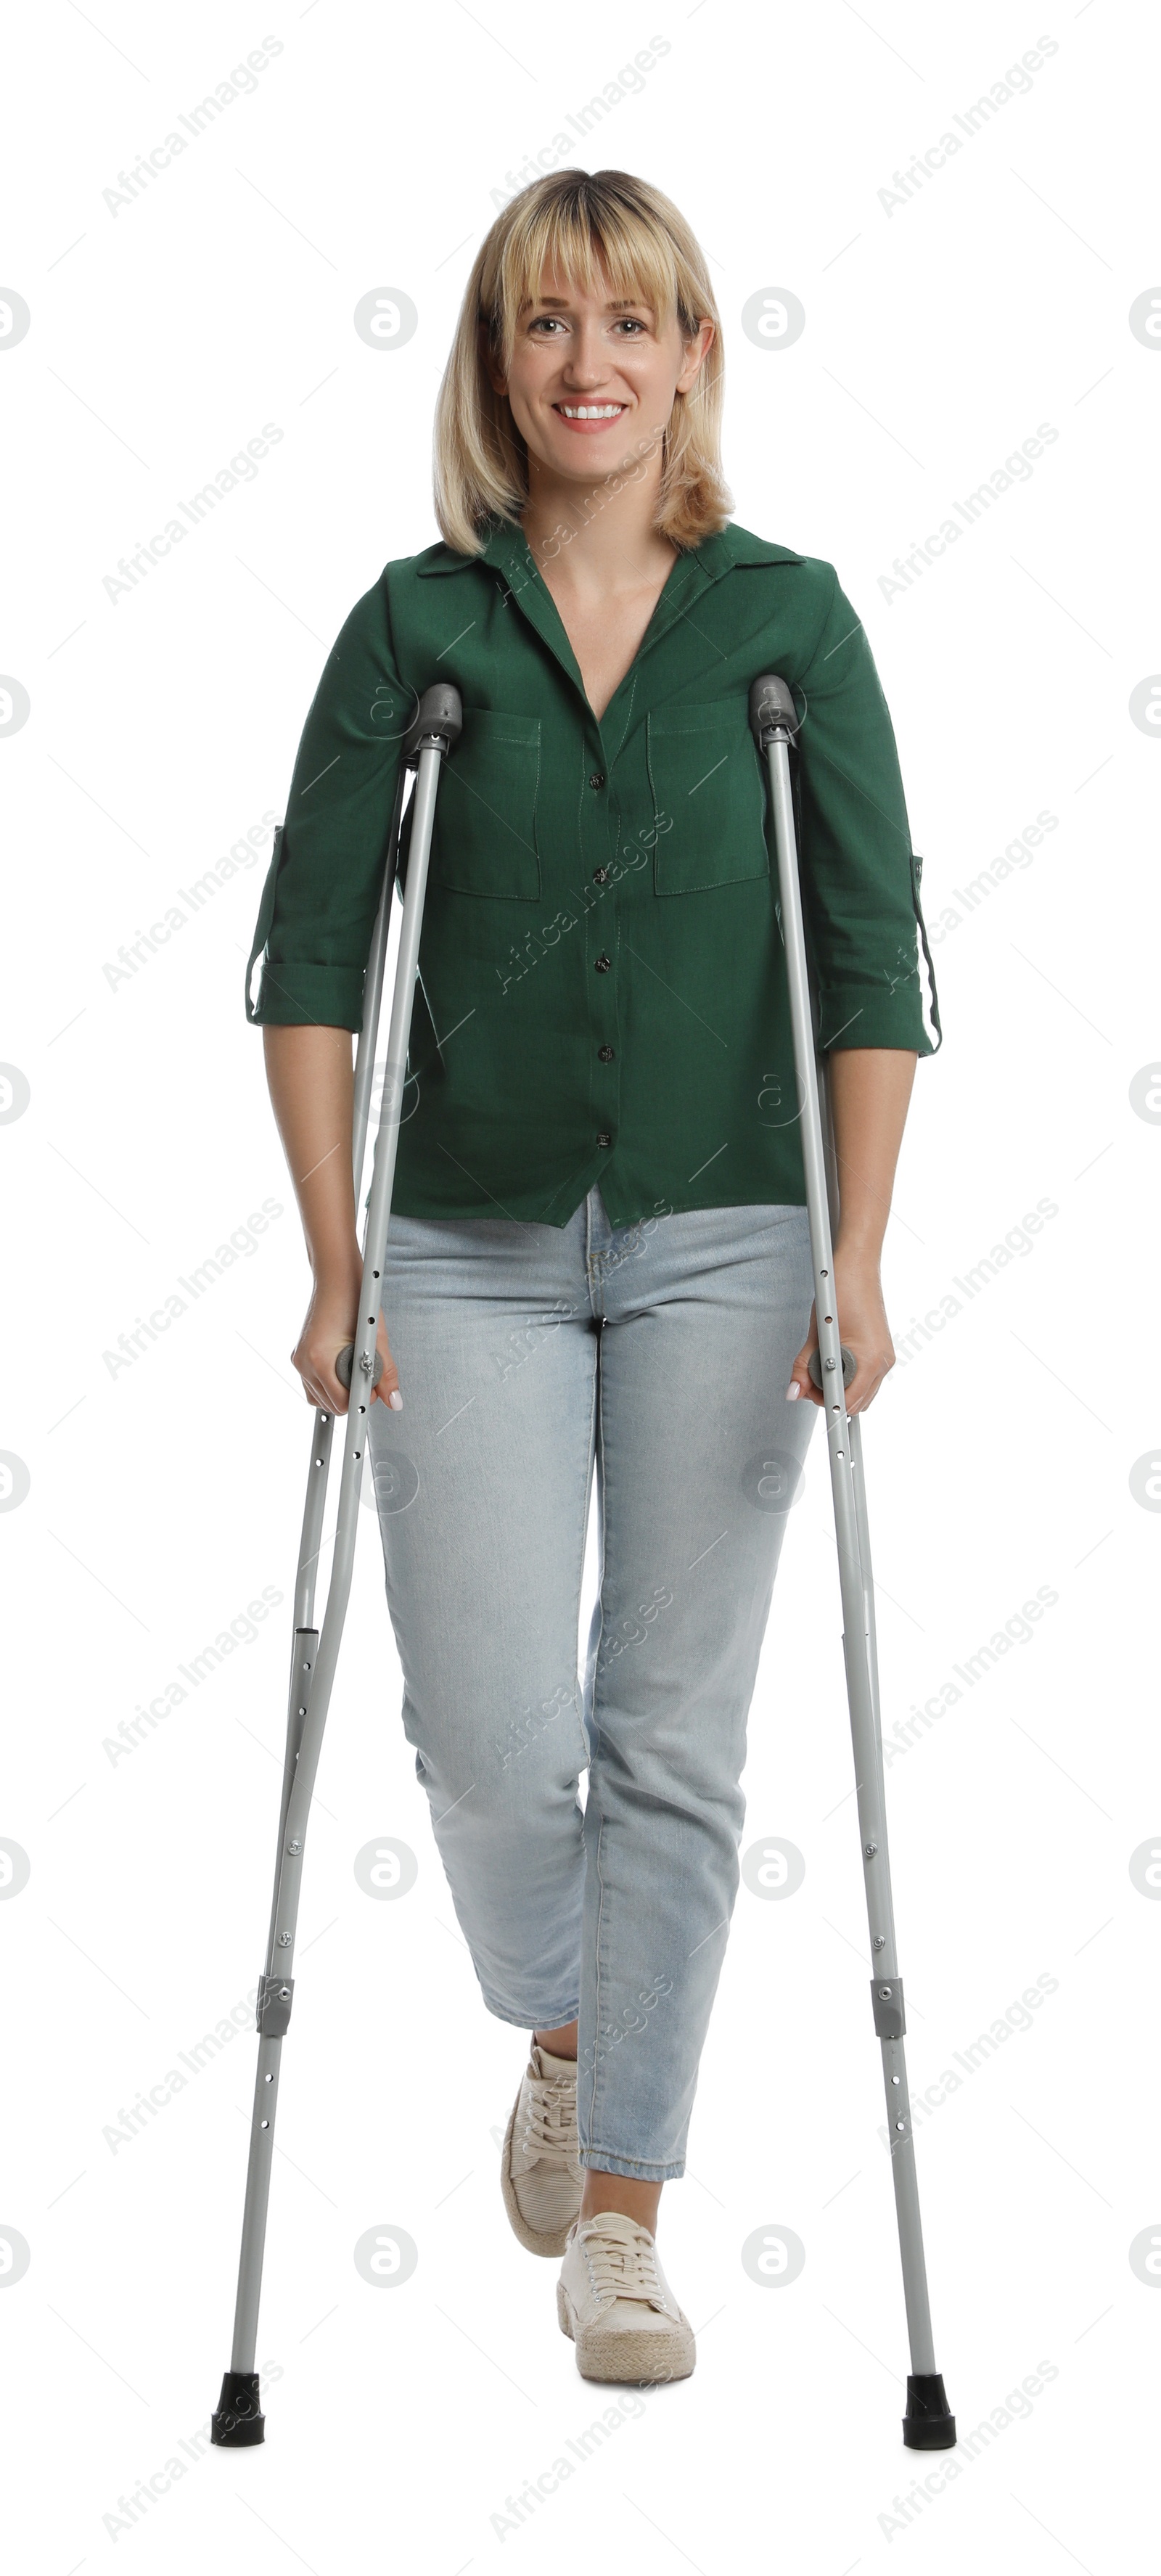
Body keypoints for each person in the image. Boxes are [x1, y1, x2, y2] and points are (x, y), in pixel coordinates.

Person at [244, 168, 942, 2387]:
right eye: (547, 325)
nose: (589, 366)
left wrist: (862, 1245)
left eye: (632, 324)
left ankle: (622, 2211)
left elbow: (870, 966)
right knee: (482, 1738)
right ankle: (568, 2013)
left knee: (671, 1742)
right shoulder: (416, 630)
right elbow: (312, 961)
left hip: (736, 1234)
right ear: (498, 359)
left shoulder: (790, 627)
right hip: (457, 1238)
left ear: (695, 356)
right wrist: (333, 1253)